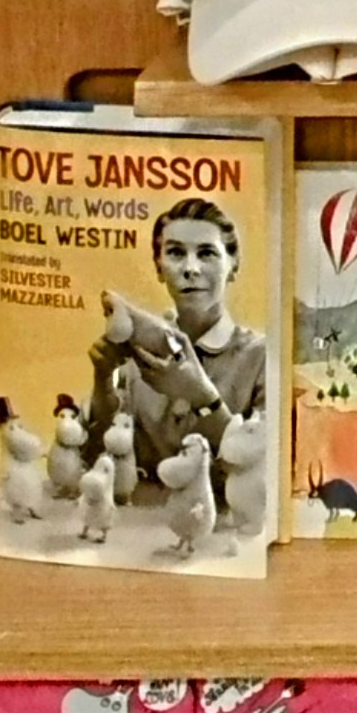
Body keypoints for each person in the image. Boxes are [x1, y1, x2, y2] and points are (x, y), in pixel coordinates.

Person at [87, 195, 269, 518]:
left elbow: (263, 474)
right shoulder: (138, 350)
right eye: (175, 253)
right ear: (159, 267)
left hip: (222, 534)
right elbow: (96, 458)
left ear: (233, 265)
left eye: (207, 253)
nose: (190, 269)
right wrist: (102, 379)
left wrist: (201, 397)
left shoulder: (261, 357)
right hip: (135, 531)